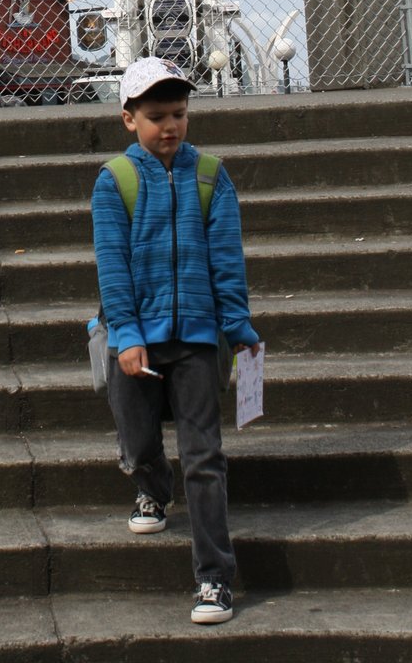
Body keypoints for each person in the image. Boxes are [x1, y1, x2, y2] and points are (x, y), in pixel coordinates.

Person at [90, 56, 261, 627]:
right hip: (136, 333)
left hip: (197, 338)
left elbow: (227, 260)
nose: (170, 126)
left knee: (204, 457)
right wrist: (127, 336)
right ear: (128, 119)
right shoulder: (115, 180)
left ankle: (215, 578)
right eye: (157, 116)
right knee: (139, 443)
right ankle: (152, 486)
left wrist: (238, 328)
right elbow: (113, 267)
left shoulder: (210, 175)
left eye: (179, 114)